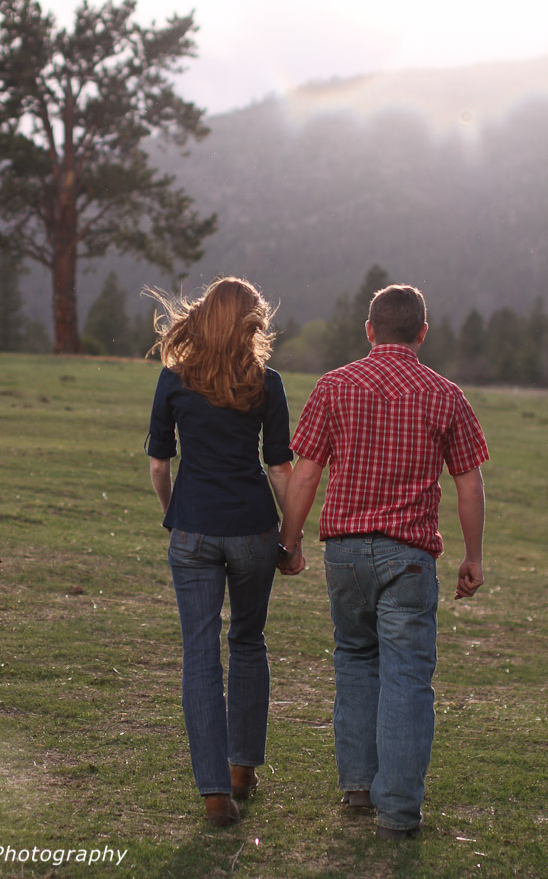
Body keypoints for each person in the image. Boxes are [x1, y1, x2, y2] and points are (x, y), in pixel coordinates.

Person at [277, 284, 489, 840]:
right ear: (422, 332)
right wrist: (473, 556)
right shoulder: (447, 395)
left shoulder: (334, 386)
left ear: (369, 330)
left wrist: (291, 541)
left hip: (344, 552)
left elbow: (305, 473)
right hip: (411, 557)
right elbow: (469, 485)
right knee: (408, 678)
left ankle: (357, 786)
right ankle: (398, 812)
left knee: (354, 659)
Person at [145, 277, 294, 827]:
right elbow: (280, 467)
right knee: (249, 641)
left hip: (194, 531)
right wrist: (293, 535)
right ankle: (241, 769)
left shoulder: (174, 379)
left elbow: (160, 463)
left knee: (200, 655)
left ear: (203, 317)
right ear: (251, 323)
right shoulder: (267, 383)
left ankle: (214, 794)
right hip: (255, 530)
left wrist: (172, 514)